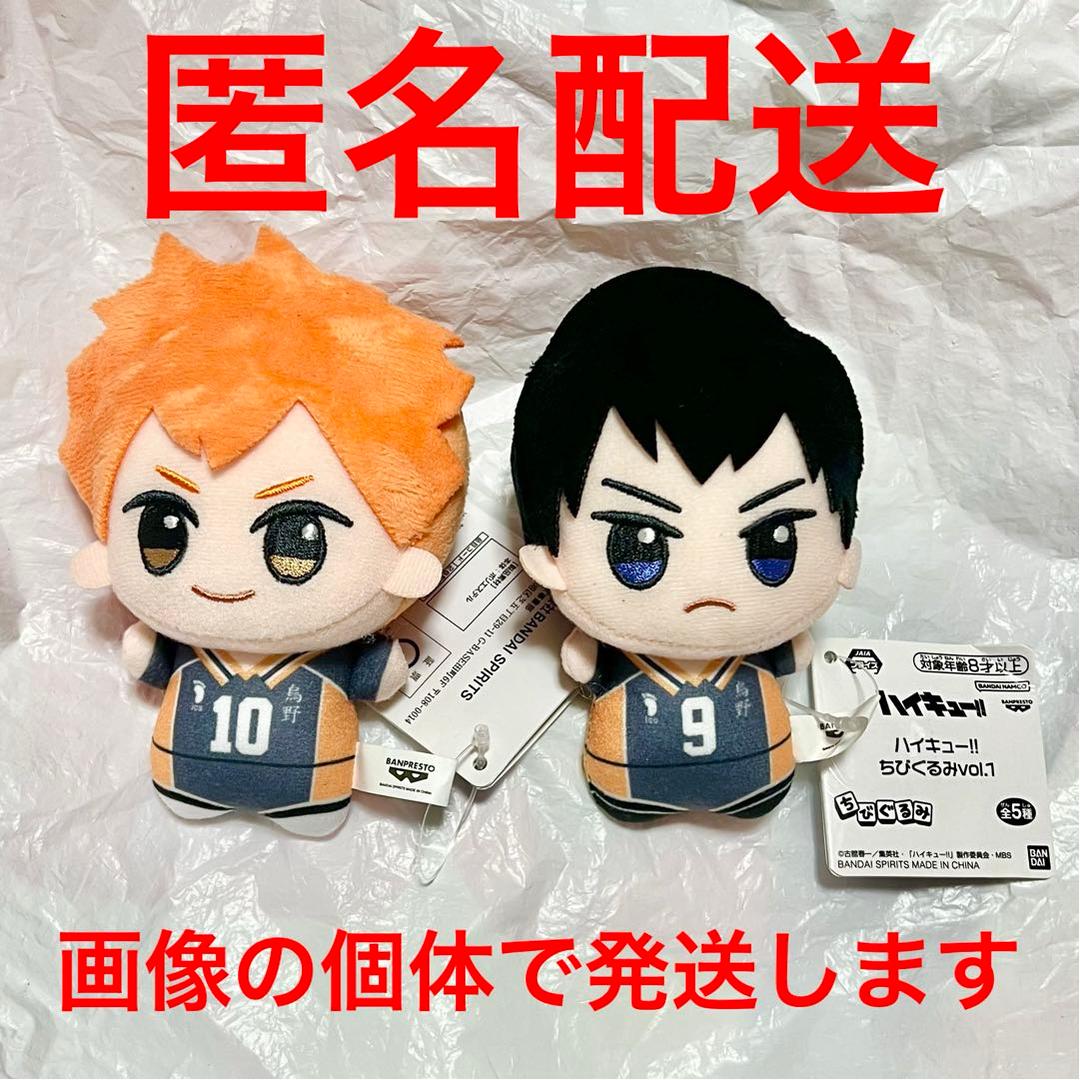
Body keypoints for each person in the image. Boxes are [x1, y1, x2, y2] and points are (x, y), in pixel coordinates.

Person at [511, 267, 863, 822]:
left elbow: (793, 653)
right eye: (638, 548)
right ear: (548, 558)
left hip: (757, 774)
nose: (709, 586)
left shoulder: (756, 644)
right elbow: (584, 665)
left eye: (773, 542)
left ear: (844, 549)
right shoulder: (621, 649)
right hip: (631, 778)